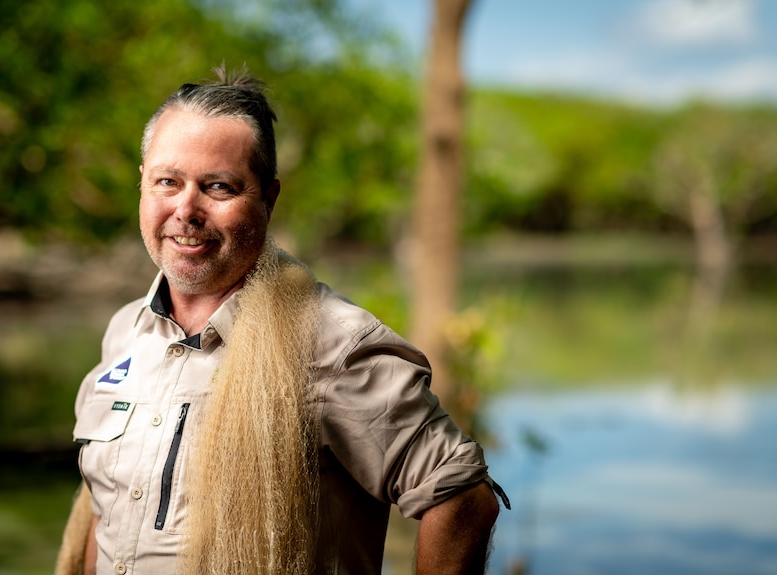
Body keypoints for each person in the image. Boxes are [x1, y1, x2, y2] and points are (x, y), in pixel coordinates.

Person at [55, 65, 509, 575]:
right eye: (168, 182)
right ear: (142, 185)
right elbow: (107, 511)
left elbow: (462, 498)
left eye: (219, 186)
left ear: (268, 200)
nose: (186, 209)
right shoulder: (125, 333)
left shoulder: (331, 343)